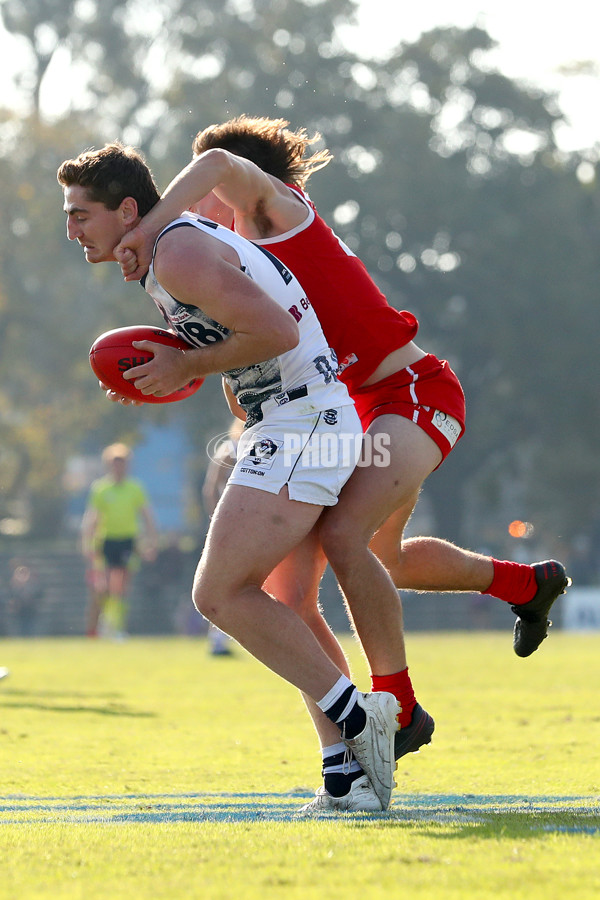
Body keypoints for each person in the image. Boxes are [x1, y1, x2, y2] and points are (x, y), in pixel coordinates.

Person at [113, 116, 571, 810]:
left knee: (346, 540)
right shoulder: (229, 257)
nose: (188, 197)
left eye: (194, 187)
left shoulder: (275, 212)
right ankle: (525, 586)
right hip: (350, 417)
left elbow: (211, 167)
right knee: (359, 571)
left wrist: (148, 226)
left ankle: (398, 709)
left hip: (411, 393)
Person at [58, 142, 401, 812]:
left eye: (80, 214)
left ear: (128, 210)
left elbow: (273, 331)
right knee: (288, 606)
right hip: (291, 421)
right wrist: (193, 372)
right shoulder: (169, 253)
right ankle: (347, 779)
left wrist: (185, 367)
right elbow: (249, 358)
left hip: (305, 424)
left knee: (217, 594)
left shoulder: (176, 252)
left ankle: (365, 721)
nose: (70, 230)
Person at [81, 442, 158, 638]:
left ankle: (116, 627)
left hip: (128, 541)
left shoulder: (135, 488)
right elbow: (92, 518)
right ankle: (104, 623)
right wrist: (87, 543)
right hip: (107, 541)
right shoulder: (101, 488)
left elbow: (147, 516)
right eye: (115, 462)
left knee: (122, 587)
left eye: (122, 462)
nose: (119, 466)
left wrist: (152, 541)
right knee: (104, 587)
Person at [200, 417, 245, 656]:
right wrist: (217, 519)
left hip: (253, 523)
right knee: (223, 579)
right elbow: (211, 487)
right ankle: (217, 638)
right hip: (232, 521)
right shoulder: (230, 448)